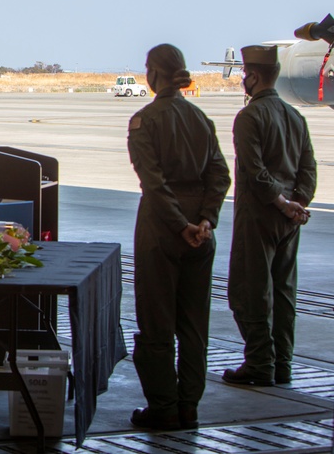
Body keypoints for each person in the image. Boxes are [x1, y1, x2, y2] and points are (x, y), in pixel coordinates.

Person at [126, 44, 230, 431]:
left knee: (156, 323)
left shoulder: (145, 121)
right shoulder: (201, 118)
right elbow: (220, 175)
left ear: (154, 73)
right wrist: (205, 220)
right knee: (193, 325)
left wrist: (178, 224)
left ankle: (164, 407)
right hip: (201, 235)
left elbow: (153, 184)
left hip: (162, 231)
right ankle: (189, 406)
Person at [224, 44, 316, 387]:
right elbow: (308, 168)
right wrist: (297, 204)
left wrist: (279, 202)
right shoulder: (296, 116)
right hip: (290, 220)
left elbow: (254, 170)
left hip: (259, 216)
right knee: (283, 292)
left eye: (245, 75)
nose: (243, 80)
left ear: (253, 75)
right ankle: (283, 364)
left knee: (249, 291)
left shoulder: (249, 117)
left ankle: (260, 363)